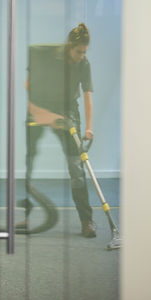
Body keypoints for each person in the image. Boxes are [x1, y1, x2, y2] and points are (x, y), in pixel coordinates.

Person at [23, 23, 96, 238]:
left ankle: (86, 221)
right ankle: (25, 214)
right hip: (41, 105)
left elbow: (88, 97)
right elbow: (28, 85)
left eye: (84, 52)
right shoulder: (47, 57)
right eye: (78, 51)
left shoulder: (84, 64)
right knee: (30, 160)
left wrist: (89, 128)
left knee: (77, 169)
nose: (81, 56)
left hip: (68, 111)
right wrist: (44, 115)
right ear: (68, 47)